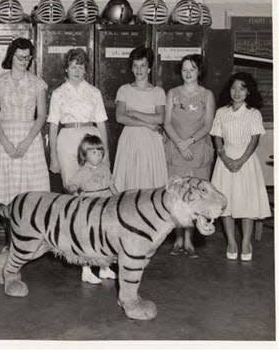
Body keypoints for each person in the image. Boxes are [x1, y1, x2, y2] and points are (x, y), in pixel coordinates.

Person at [210, 72, 271, 262]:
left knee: (247, 204)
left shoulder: (253, 113)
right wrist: (224, 156)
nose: (237, 92)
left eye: (242, 89)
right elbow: (217, 137)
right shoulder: (221, 112)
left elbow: (254, 140)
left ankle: (245, 242)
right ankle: (231, 242)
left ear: (248, 92)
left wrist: (240, 160)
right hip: (224, 162)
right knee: (225, 203)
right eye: (234, 88)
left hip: (246, 163)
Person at [0, 38, 50, 206]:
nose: (24, 61)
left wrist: (27, 141)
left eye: (27, 58)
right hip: (4, 138)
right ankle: (8, 230)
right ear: (11, 56)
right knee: (5, 193)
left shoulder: (37, 83)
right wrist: (6, 143)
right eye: (20, 57)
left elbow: (42, 115)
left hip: (30, 140)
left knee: (32, 195)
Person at [164, 54, 215, 258]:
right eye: (184, 69)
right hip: (176, 148)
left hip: (198, 149)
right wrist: (179, 143)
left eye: (192, 69)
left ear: (199, 72)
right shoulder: (173, 93)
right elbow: (167, 123)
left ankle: (189, 240)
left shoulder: (207, 95)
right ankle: (177, 239)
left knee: (195, 196)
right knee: (177, 194)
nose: (188, 73)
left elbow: (208, 124)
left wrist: (189, 142)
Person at [48, 48, 109, 187]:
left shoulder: (94, 92)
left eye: (81, 67)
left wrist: (106, 155)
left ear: (85, 70)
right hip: (67, 141)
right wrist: (53, 157)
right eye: (73, 67)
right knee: (71, 186)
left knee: (93, 185)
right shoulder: (58, 93)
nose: (77, 71)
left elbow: (101, 124)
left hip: (92, 142)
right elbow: (53, 126)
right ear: (66, 69)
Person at [113, 46, 168, 192]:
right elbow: (120, 117)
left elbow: (160, 118)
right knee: (130, 182)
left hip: (151, 142)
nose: (139, 70)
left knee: (150, 182)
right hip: (130, 139)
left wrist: (135, 112)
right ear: (131, 68)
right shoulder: (124, 90)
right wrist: (147, 124)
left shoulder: (158, 92)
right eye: (135, 66)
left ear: (149, 68)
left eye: (143, 66)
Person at [66, 134, 118, 285]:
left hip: (106, 209)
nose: (98, 155)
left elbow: (112, 186)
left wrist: (120, 199)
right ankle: (86, 271)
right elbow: (71, 185)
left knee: (105, 239)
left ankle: (104, 267)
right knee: (88, 241)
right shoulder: (83, 171)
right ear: (84, 155)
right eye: (94, 152)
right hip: (90, 209)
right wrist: (73, 190)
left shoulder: (105, 169)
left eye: (101, 152)